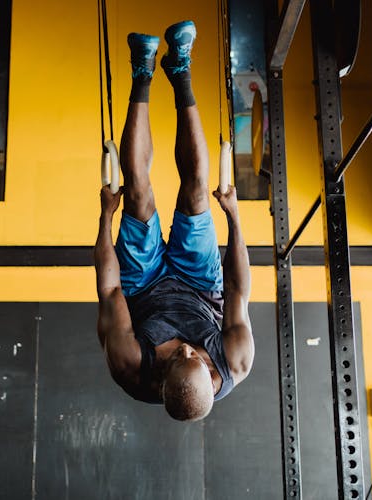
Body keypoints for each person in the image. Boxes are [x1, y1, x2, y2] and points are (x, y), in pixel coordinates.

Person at [95, 20, 254, 422]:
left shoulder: (131, 365)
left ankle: (141, 71)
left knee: (137, 192)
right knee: (198, 188)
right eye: (194, 356)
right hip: (201, 284)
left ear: (162, 379)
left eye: (177, 356)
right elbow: (237, 288)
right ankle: (180, 69)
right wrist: (234, 217)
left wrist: (105, 217)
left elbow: (111, 290)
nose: (185, 348)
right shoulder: (234, 360)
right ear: (211, 374)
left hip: (142, 285)